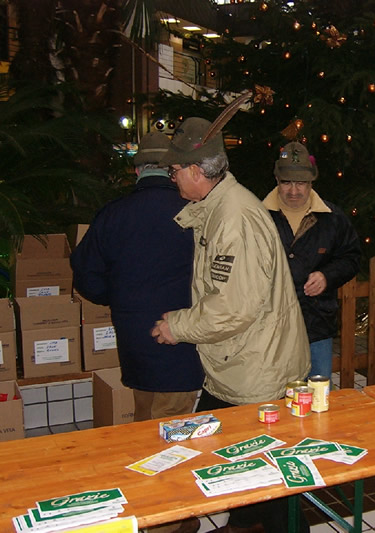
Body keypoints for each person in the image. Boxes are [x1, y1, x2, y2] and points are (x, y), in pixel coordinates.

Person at [149, 116, 311, 533]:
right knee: (246, 465)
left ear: (197, 171)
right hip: (241, 363)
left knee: (267, 477)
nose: (172, 177)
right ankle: (245, 523)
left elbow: (234, 306)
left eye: (175, 170)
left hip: (254, 372)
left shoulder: (234, 218)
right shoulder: (221, 208)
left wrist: (178, 327)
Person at [71, 131, 204, 533]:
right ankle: (163, 522)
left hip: (133, 338)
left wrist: (122, 298)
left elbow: (86, 276)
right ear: (173, 168)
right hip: (181, 340)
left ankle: (148, 505)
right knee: (173, 433)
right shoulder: (195, 210)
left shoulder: (113, 214)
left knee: (146, 420)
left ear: (136, 169)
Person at [263, 142, 360, 378]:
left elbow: (352, 257)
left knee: (317, 399)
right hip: (268, 329)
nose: (294, 191)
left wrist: (327, 276)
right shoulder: (258, 217)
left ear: (311, 183)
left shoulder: (332, 218)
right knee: (273, 400)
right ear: (277, 180)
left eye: (301, 183)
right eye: (287, 183)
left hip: (315, 327)